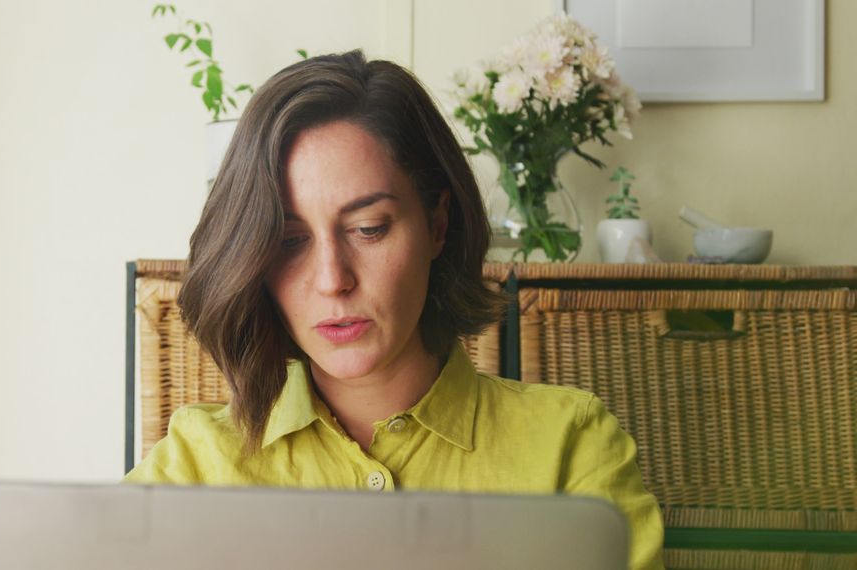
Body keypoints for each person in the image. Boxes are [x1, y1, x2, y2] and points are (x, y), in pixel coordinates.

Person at [124, 50, 664, 569]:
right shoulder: (196, 463)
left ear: (437, 224)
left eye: (368, 229)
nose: (334, 280)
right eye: (290, 241)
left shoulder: (569, 445)